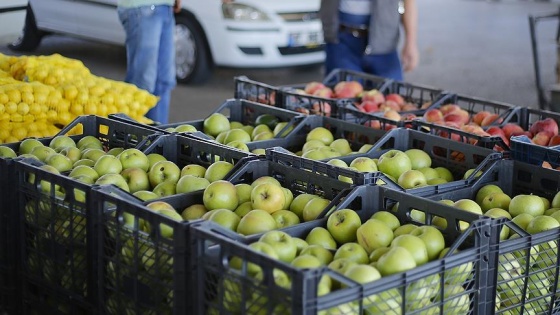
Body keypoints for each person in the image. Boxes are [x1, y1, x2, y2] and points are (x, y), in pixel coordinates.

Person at [319, 0, 419, 81]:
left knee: (392, 96)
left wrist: (411, 43)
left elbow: (409, 3)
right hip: (342, 40)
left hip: (384, 43)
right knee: (342, 97)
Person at [117, 0, 181, 124]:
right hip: (142, 7)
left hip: (165, 7)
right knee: (142, 84)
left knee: (164, 82)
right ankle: (132, 139)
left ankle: (158, 139)